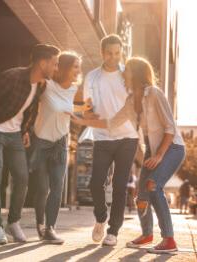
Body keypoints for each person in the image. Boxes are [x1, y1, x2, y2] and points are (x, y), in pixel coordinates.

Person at [70, 56, 186, 253]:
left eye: (127, 72)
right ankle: (147, 234)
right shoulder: (132, 101)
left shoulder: (155, 94)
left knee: (152, 186)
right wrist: (82, 121)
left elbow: (170, 129)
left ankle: (169, 240)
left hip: (172, 148)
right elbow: (111, 123)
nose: (123, 74)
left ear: (137, 74)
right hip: (152, 148)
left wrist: (158, 156)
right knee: (141, 197)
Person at [0, 44, 60, 244]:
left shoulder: (40, 85)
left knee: (22, 178)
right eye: (54, 63)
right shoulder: (12, 77)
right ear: (42, 62)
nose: (56, 68)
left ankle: (13, 222)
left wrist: (24, 131)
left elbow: (28, 110)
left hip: (15, 135)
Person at [82, 34, 139, 246]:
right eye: (109, 53)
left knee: (119, 185)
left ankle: (113, 231)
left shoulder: (128, 75)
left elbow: (135, 104)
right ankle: (100, 217)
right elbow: (87, 105)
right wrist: (87, 115)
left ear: (121, 52)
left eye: (117, 53)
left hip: (127, 137)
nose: (113, 57)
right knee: (95, 182)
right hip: (102, 137)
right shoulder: (92, 77)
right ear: (102, 53)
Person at [30, 51, 87, 244]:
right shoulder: (46, 85)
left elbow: (67, 106)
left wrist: (82, 109)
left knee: (57, 188)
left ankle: (50, 228)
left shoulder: (73, 89)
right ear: (63, 67)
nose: (78, 71)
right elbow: (33, 103)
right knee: (42, 188)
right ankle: (40, 223)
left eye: (79, 67)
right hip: (41, 142)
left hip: (61, 142)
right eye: (75, 66)